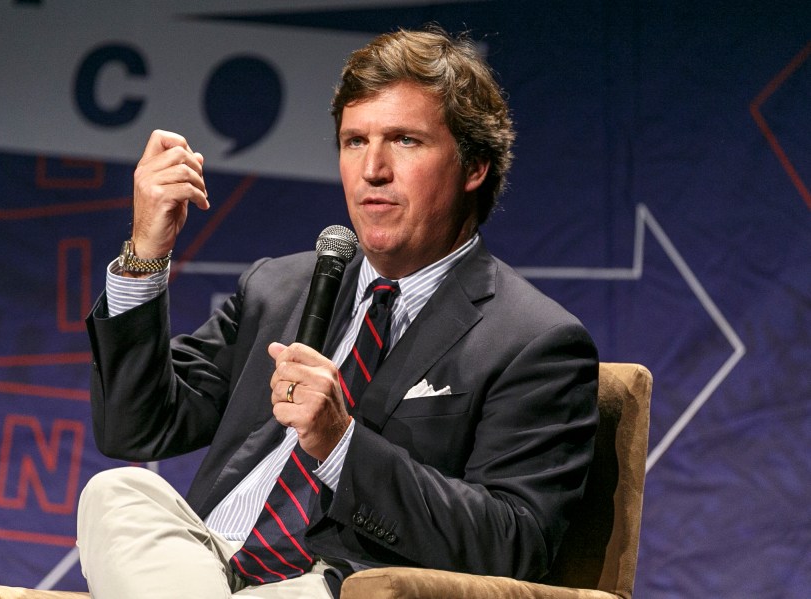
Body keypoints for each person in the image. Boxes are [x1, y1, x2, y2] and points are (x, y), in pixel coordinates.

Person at [78, 26, 599, 599]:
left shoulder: (532, 340)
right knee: (118, 491)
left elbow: (514, 542)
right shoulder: (280, 287)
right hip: (204, 568)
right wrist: (145, 255)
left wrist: (340, 444)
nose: (372, 169)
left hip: (335, 584)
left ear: (473, 167)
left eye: (404, 140)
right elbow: (135, 426)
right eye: (354, 142)